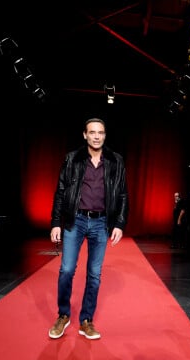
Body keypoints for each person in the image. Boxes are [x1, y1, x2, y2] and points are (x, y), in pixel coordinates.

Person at [48, 117, 129, 340]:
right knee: (66, 270)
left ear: (104, 135)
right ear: (85, 135)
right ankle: (63, 315)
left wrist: (120, 223)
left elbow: (122, 193)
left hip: (102, 222)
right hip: (76, 220)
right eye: (92, 132)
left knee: (94, 274)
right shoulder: (72, 158)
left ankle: (86, 320)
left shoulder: (115, 160)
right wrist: (56, 222)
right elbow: (61, 191)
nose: (96, 136)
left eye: (100, 132)